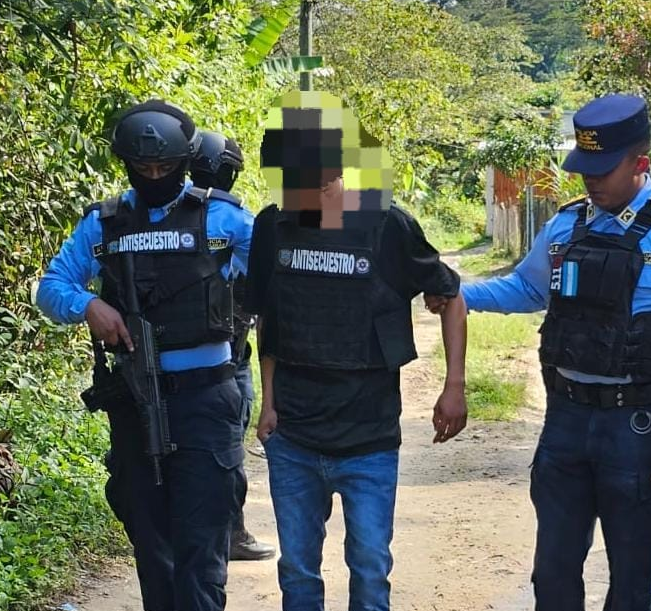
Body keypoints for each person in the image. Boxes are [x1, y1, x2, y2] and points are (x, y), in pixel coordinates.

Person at [428, 94, 651, 610]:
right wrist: (459, 294)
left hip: (638, 427)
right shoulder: (567, 224)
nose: (590, 180)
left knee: (631, 579)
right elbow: (528, 288)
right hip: (566, 421)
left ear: (640, 164)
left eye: (602, 170)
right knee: (553, 571)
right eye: (585, 169)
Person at [245, 90, 469, 611]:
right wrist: (268, 402)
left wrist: (454, 386)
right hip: (294, 436)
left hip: (369, 439)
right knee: (297, 573)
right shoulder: (271, 227)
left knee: (369, 571)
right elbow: (270, 321)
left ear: (329, 177)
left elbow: (451, 296)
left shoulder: (386, 225)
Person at [36, 100, 254, 611]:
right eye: (143, 167)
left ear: (184, 162)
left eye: (165, 167)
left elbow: (275, 275)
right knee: (152, 542)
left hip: (207, 400)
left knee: (202, 543)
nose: (155, 176)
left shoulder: (221, 218)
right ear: (128, 164)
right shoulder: (105, 224)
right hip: (136, 401)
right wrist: (88, 305)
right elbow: (51, 287)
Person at [190, 129, 276, 562]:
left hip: (173, 355)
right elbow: (264, 286)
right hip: (227, 355)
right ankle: (231, 533)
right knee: (227, 448)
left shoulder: (161, 216)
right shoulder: (237, 221)